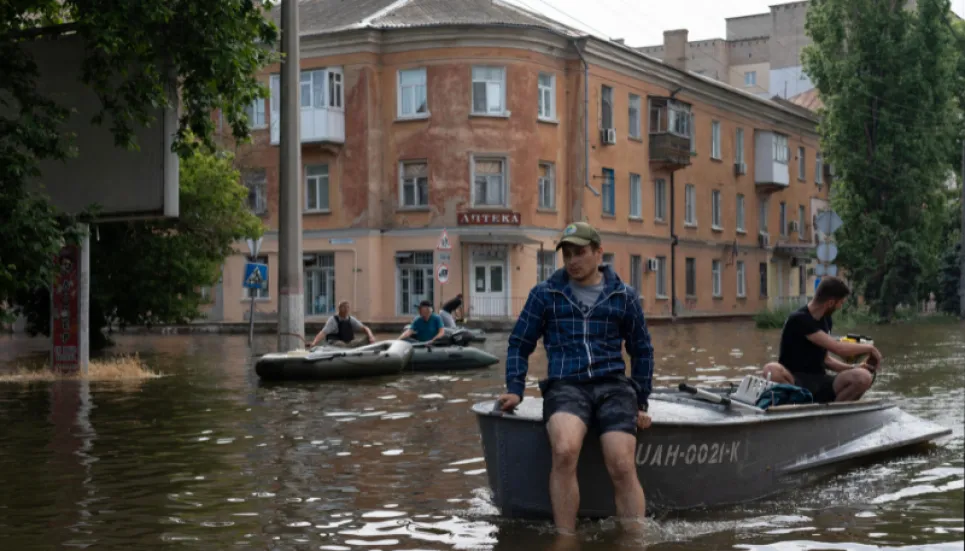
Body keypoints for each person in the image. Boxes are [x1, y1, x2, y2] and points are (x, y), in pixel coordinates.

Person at [495, 221, 655, 536]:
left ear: (599, 253)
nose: (572, 261)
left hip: (613, 386)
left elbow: (642, 350)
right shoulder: (545, 294)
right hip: (565, 385)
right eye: (567, 253)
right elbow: (519, 343)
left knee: (621, 463)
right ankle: (566, 539)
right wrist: (515, 389)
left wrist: (641, 400)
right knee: (566, 449)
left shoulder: (624, 296)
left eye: (580, 252)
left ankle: (635, 541)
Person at [762, 277, 883, 403]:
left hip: (820, 381)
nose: (840, 307)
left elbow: (826, 360)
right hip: (794, 381)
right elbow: (838, 348)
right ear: (830, 303)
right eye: (840, 303)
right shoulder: (799, 319)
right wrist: (870, 348)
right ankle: (798, 403)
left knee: (863, 377)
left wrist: (855, 367)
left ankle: (834, 414)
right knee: (771, 369)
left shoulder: (826, 320)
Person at [309, 300, 376, 348]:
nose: (346, 309)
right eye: (344, 307)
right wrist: (314, 342)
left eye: (347, 307)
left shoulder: (351, 319)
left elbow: (365, 328)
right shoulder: (333, 320)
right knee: (342, 345)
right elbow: (323, 333)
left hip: (348, 343)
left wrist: (371, 336)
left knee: (366, 339)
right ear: (339, 309)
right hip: (335, 342)